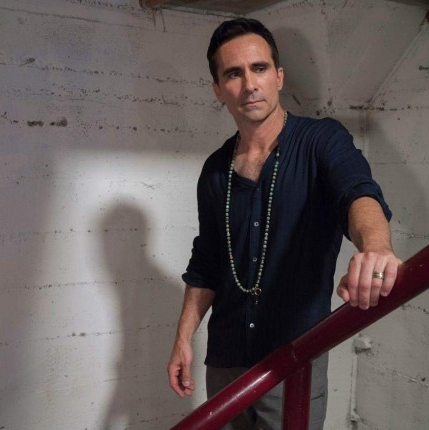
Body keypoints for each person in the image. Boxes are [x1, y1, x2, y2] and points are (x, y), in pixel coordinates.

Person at [167, 18, 400, 429]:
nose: (249, 85)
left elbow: (358, 194)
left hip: (293, 363)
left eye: (259, 69)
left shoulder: (321, 140)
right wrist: (184, 337)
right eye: (233, 74)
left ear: (278, 76)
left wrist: (376, 247)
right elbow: (206, 262)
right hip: (224, 364)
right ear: (218, 89)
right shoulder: (215, 170)